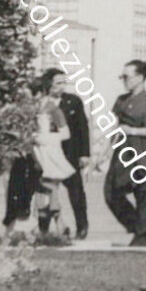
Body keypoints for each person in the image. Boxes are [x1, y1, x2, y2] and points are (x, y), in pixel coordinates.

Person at [98, 59, 146, 247]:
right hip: (122, 149)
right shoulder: (120, 100)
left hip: (142, 149)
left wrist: (134, 131)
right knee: (111, 192)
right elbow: (114, 127)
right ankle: (135, 225)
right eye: (122, 76)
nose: (124, 80)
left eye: (126, 76)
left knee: (143, 194)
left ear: (140, 77)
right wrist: (104, 151)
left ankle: (141, 240)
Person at [46, 68, 93, 240]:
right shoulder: (42, 103)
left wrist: (84, 154)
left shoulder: (73, 101)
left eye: (63, 82)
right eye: (58, 83)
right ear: (49, 85)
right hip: (49, 155)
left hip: (70, 154)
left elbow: (82, 128)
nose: (61, 86)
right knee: (47, 191)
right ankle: (47, 228)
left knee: (76, 191)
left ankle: (82, 226)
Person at [31, 75, 78, 237]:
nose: (35, 97)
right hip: (34, 151)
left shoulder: (53, 109)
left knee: (49, 187)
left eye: (37, 92)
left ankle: (53, 225)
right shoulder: (30, 108)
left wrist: (46, 138)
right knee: (40, 189)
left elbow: (66, 134)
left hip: (49, 151)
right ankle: (55, 224)